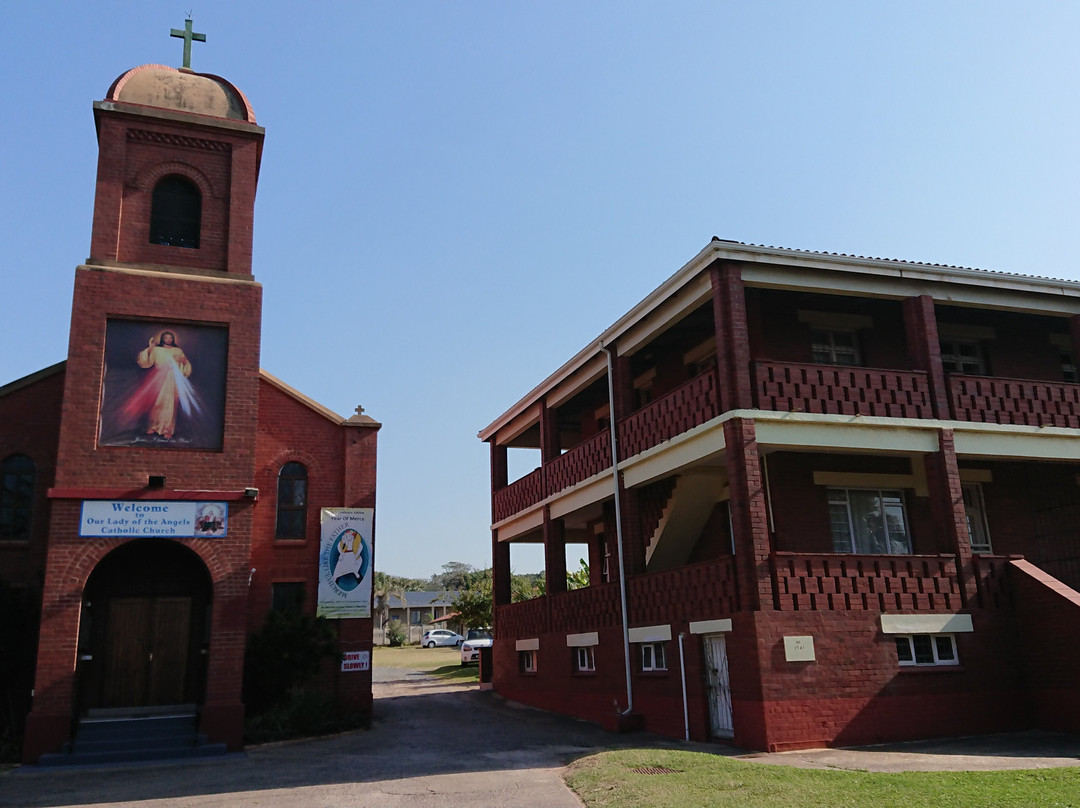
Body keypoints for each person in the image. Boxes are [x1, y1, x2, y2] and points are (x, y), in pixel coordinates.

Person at [120, 330, 200, 440]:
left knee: (169, 404)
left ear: (173, 339)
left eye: (170, 338)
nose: (168, 340)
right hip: (157, 378)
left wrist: (184, 361)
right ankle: (153, 426)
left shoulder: (178, 350)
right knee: (156, 403)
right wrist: (150, 349)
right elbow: (145, 362)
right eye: (166, 338)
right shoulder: (157, 350)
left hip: (172, 379)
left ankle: (167, 429)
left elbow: (185, 365)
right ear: (162, 339)